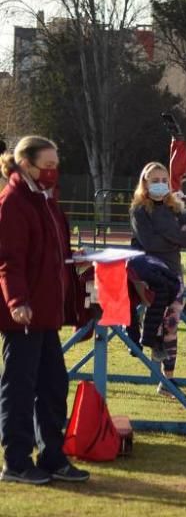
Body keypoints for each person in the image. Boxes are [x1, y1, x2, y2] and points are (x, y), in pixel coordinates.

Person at [0, 136, 89, 484]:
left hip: (46, 313)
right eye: (47, 165)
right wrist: (16, 301)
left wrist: (74, 262)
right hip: (23, 315)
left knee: (53, 385)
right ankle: (16, 461)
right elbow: (8, 260)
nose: (54, 172)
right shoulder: (13, 203)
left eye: (56, 165)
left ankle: (52, 455)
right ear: (26, 165)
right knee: (20, 387)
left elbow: (54, 252)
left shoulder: (46, 200)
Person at [130, 162, 186, 394]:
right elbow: (149, 243)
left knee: (172, 324)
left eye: (163, 181)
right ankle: (151, 356)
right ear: (145, 183)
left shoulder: (175, 208)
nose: (160, 185)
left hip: (175, 272)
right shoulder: (140, 210)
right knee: (156, 321)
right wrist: (175, 235)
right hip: (152, 273)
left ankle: (168, 380)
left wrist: (170, 235)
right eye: (154, 180)